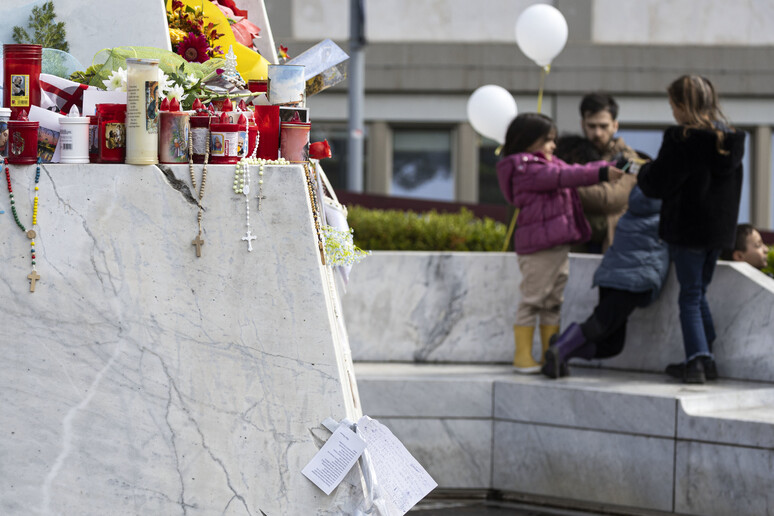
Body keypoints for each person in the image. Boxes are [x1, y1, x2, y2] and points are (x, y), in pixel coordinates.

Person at [638, 75, 746, 384]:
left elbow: (658, 182)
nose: (672, 111)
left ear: (684, 106)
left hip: (688, 229)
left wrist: (642, 170)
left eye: (673, 105)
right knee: (699, 294)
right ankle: (706, 360)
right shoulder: (729, 140)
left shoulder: (682, 139)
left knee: (689, 296)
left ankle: (696, 361)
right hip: (717, 233)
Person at [496, 113, 624, 373]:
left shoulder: (546, 163)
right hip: (539, 249)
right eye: (548, 141)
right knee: (533, 300)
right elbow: (564, 176)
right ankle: (522, 357)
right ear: (528, 141)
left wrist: (607, 165)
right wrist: (601, 172)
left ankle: (549, 355)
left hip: (556, 244)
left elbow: (570, 170)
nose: (553, 146)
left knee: (553, 302)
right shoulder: (526, 168)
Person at [541, 138, 668, 378]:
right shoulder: (662, 211)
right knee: (600, 324)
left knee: (613, 344)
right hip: (634, 278)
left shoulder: (632, 210)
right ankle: (560, 347)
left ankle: (562, 352)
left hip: (612, 274)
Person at [577, 93, 640, 252]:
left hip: (612, 246)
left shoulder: (629, 159)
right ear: (582, 124)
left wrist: (564, 183)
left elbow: (609, 198)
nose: (597, 133)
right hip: (577, 244)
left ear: (615, 125)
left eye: (603, 126)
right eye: (592, 126)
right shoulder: (573, 154)